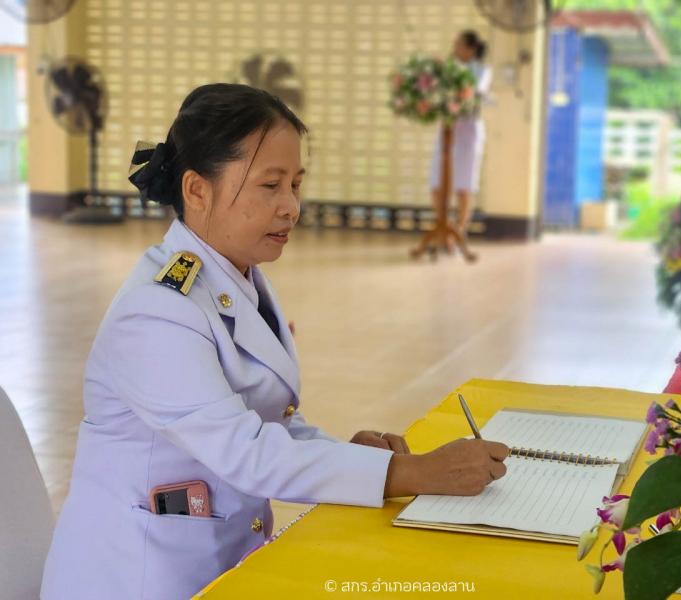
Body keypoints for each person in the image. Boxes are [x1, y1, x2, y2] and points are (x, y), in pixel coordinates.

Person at [41, 84, 509, 600]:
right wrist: (409, 472)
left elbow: (267, 421)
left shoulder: (236, 277)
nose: (291, 207)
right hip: (139, 578)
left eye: (296, 184)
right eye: (270, 185)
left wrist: (356, 460)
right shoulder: (157, 312)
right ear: (197, 190)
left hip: (217, 563)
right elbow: (248, 453)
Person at [428, 30, 492, 244]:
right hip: (448, 129)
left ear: (470, 49)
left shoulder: (482, 70)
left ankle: (459, 231)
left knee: (464, 185)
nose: (454, 49)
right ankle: (442, 226)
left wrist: (447, 71)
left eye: (458, 45)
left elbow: (471, 90)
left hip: (469, 130)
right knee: (437, 183)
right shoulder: (449, 68)